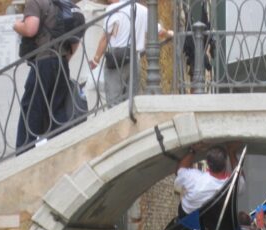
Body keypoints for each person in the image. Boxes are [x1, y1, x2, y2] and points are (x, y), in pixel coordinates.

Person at [13, 0, 83, 152]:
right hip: (61, 62)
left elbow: (31, 29)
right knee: (56, 107)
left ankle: (24, 151)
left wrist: (17, 25)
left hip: (43, 61)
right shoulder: (62, 3)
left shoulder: (35, 2)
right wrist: (64, 59)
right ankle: (62, 148)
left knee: (31, 106)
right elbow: (75, 41)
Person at [89, 0, 173, 108]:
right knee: (131, 102)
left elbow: (105, 38)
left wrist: (96, 60)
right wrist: (170, 34)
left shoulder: (113, 9)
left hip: (116, 60)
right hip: (134, 59)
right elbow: (159, 31)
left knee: (114, 102)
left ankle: (117, 124)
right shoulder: (142, 10)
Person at [174, 143, 244, 218]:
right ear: (225, 163)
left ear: (207, 163)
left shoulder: (194, 178)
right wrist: (231, 152)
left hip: (187, 217)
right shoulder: (233, 185)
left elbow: (179, 170)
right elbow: (239, 175)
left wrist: (193, 150)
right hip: (208, 222)